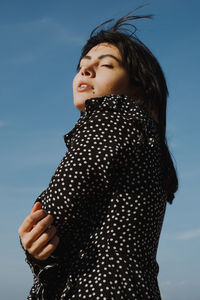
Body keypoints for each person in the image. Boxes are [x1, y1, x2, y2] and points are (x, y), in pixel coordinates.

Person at [18, 8, 178, 300]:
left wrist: (32, 245)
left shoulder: (111, 116)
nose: (85, 70)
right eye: (81, 65)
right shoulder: (148, 141)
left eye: (105, 65)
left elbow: (53, 215)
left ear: (138, 89)